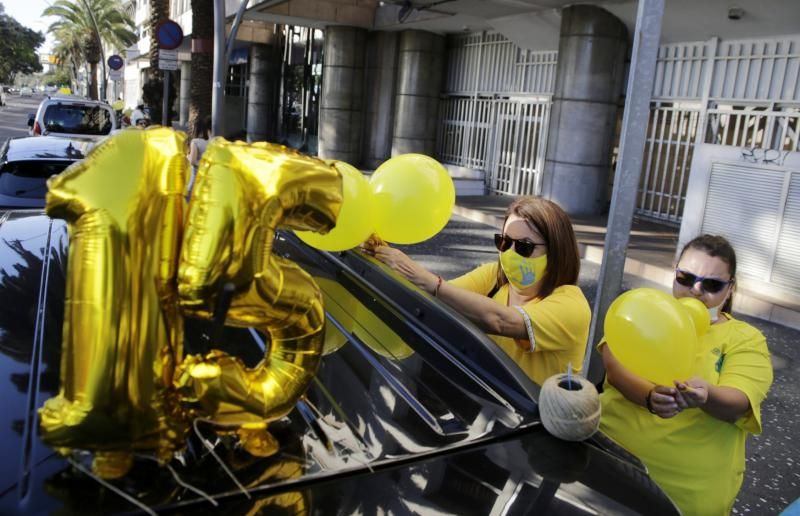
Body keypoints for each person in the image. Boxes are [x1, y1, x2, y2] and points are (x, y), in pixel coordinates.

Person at [598, 234, 773, 515]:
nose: (696, 290)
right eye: (685, 277)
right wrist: (650, 397)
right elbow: (614, 363)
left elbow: (740, 400)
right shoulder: (647, 309)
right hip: (607, 463)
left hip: (686, 496)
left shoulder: (745, 338)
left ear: (730, 289)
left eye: (712, 284)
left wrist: (705, 396)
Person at [367, 196, 591, 385]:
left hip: (538, 422)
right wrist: (385, 258)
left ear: (557, 252)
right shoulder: (495, 276)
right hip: (494, 404)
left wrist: (429, 281)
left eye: (524, 246)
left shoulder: (571, 305)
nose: (510, 254)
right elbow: (442, 299)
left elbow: (501, 321)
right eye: (504, 242)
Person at [187, 115, 212, 196]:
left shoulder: (196, 142)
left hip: (195, 183)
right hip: (209, 186)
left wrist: (188, 156)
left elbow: (193, 161)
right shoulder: (218, 144)